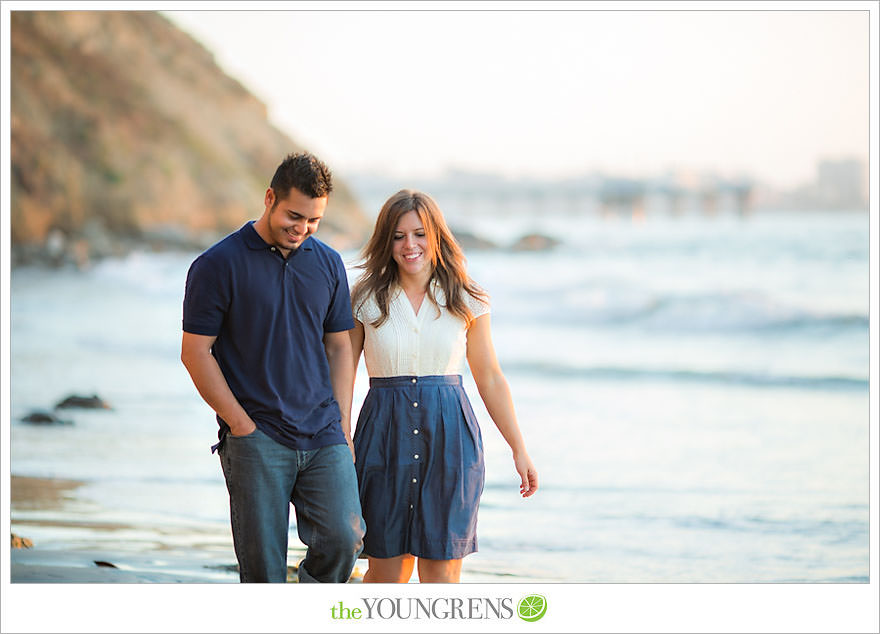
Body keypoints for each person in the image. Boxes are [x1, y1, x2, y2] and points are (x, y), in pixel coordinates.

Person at [180, 152, 365, 583]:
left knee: (344, 537)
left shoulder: (329, 263)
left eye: (314, 220)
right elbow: (195, 353)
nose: (302, 229)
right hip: (257, 436)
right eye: (294, 216)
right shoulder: (217, 265)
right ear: (269, 199)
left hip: (323, 433)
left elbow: (339, 347)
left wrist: (342, 423)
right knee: (262, 570)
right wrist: (241, 425)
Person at [349, 189, 538, 583]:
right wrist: (341, 438)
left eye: (419, 233)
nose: (409, 245)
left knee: (441, 577)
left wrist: (518, 448)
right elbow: (343, 372)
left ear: (436, 236)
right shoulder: (364, 299)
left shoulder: (467, 298)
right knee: (387, 573)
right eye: (399, 236)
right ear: (387, 240)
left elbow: (489, 376)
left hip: (451, 439)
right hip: (383, 436)